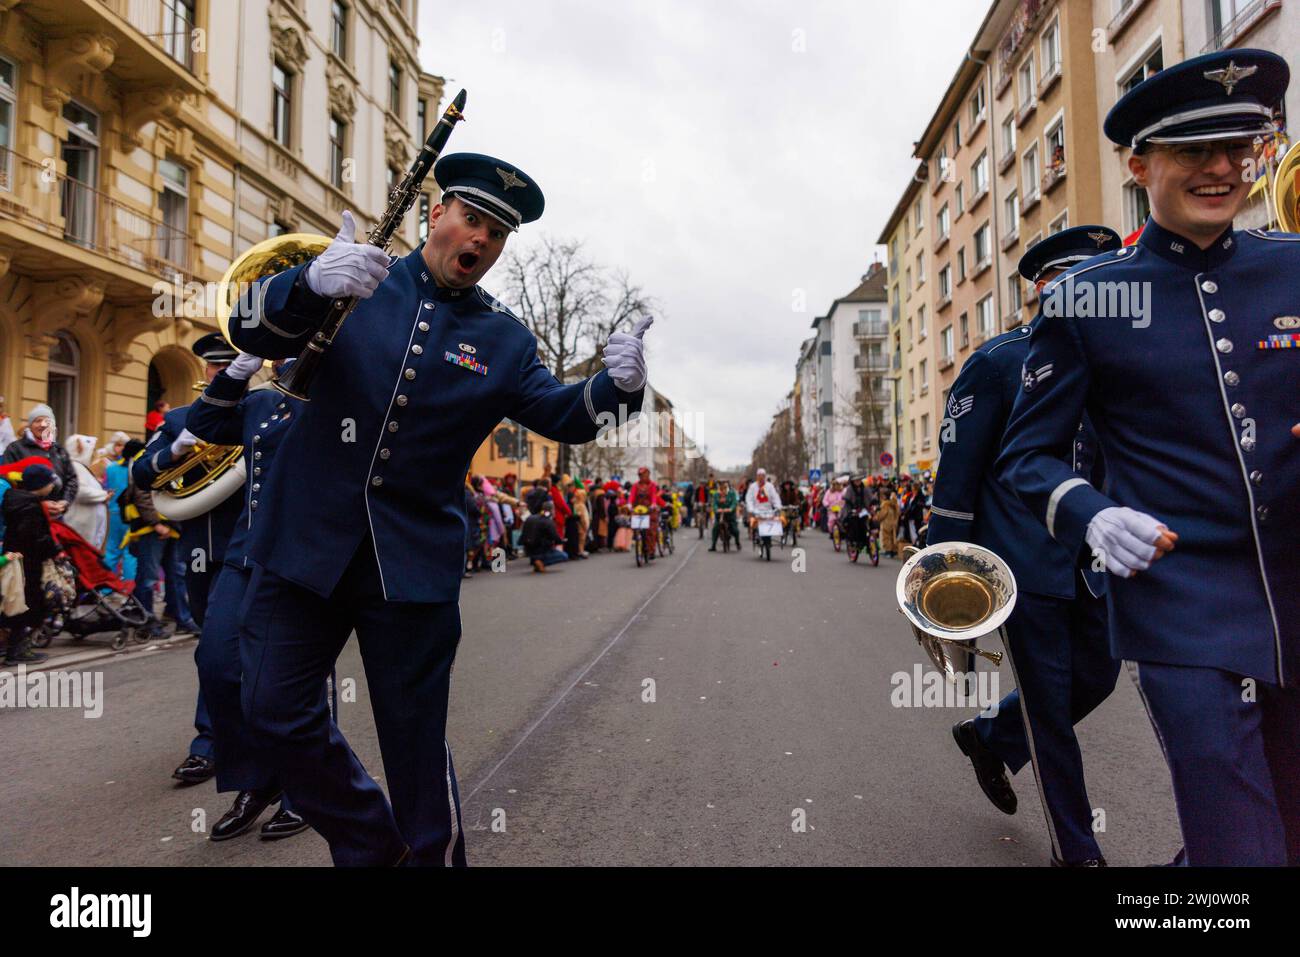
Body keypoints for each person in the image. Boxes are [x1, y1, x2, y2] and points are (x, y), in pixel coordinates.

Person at [225, 151, 651, 866]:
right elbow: (246, 330)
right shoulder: (357, 278)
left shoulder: (505, 338)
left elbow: (565, 413)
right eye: (472, 219)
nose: (480, 241)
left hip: (410, 568)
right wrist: (305, 285)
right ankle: (372, 844)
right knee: (269, 708)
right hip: (303, 545)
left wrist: (618, 388)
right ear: (437, 213)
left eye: (497, 234)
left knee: (416, 750)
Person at [997, 49, 1299, 866]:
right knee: (1243, 850)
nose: (1224, 168)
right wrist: (1091, 515)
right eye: (1195, 150)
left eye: (1239, 147)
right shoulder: (1087, 296)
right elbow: (1026, 457)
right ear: (1140, 164)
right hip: (1182, 609)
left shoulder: (1295, 266)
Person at [931, 226, 1123, 867]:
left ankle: (989, 735)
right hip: (1019, 567)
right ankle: (1078, 852)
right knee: (1051, 716)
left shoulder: (1121, 359)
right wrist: (946, 582)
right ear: (1048, 292)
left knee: (1098, 677)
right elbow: (955, 483)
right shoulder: (997, 362)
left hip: (1092, 566)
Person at [185, 352, 312, 842]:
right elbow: (206, 420)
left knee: (294, 686)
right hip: (245, 553)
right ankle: (258, 779)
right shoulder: (262, 401)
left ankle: (303, 789)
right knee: (216, 664)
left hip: (301, 557)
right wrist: (241, 367)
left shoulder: (341, 396)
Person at [135, 333, 245, 785]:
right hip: (198, 549)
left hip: (248, 549)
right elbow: (142, 473)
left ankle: (213, 743)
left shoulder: (254, 413)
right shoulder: (181, 417)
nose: (218, 373)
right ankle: (222, 740)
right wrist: (172, 451)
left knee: (226, 649)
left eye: (228, 365)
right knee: (211, 647)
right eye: (213, 367)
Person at [0, 463, 61, 665]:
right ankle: (17, 651)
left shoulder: (16, 500)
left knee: (14, 601)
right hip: (29, 562)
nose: (52, 486)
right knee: (24, 605)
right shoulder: (30, 506)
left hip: (16, 559)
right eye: (50, 483)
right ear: (41, 485)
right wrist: (54, 550)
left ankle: (12, 647)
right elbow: (35, 536)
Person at [3, 405, 76, 517]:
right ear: (30, 425)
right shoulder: (15, 448)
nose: (43, 425)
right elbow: (8, 479)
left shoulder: (59, 450)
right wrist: (37, 502)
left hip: (57, 515)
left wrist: (64, 502)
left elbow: (71, 479)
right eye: (37, 421)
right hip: (25, 515)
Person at [62, 434, 110, 551]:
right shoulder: (74, 467)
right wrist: (103, 495)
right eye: (91, 451)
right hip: (80, 527)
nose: (93, 455)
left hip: (86, 529)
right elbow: (79, 491)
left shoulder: (80, 468)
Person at [102, 438, 141, 581]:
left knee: (111, 550)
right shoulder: (138, 469)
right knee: (130, 552)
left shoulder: (110, 468)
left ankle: (108, 587)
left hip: (113, 512)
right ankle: (129, 587)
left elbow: (106, 488)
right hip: (132, 513)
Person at [521, 502, 569, 572]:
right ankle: (540, 561)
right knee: (564, 556)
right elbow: (555, 536)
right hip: (542, 549)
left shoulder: (530, 518)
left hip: (528, 549)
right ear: (552, 510)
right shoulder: (548, 521)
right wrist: (562, 541)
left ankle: (535, 560)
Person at [708, 479, 739, 551]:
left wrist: (731, 509)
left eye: (724, 485)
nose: (723, 487)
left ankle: (737, 543)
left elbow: (734, 503)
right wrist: (716, 509)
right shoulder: (716, 494)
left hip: (730, 515)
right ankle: (713, 545)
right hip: (720, 515)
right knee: (715, 528)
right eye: (721, 485)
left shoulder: (732, 493)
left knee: (735, 530)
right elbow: (714, 504)